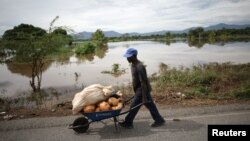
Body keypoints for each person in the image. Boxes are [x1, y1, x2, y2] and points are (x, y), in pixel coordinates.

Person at [119, 48, 165, 129]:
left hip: (142, 90)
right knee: (150, 105)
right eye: (127, 57)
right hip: (139, 90)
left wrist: (143, 97)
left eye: (129, 57)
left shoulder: (140, 66)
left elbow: (143, 82)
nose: (127, 58)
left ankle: (128, 122)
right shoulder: (133, 64)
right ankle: (159, 120)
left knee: (133, 107)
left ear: (134, 56)